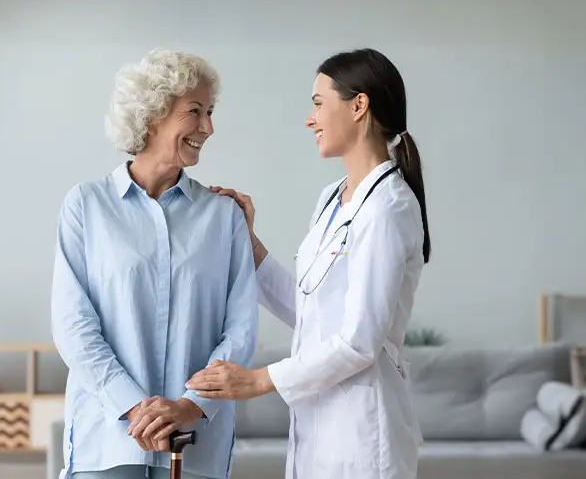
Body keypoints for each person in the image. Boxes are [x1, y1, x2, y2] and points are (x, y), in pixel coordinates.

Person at [186, 48, 430, 479]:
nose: (309, 118)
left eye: (318, 103)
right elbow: (311, 310)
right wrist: (250, 244)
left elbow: (359, 341)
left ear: (359, 105)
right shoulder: (332, 198)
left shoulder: (388, 207)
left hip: (363, 434)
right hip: (318, 429)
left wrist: (259, 381)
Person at [50, 48, 258, 479]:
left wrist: (189, 407)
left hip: (195, 448)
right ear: (152, 115)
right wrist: (134, 406)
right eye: (195, 112)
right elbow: (73, 325)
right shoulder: (86, 206)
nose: (209, 127)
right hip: (109, 442)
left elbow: (240, 331)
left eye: (210, 112)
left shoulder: (224, 215)